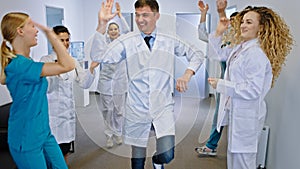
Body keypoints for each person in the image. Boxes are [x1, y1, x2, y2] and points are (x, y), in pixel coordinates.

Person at [90, 0, 205, 168]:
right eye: (137, 15)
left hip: (162, 106)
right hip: (137, 107)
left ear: (156, 16)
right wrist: (102, 24)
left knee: (166, 154)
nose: (140, 19)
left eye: (145, 15)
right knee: (137, 161)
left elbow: (197, 54)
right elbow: (99, 56)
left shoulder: (169, 38)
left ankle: (157, 162)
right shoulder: (127, 40)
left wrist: (187, 74)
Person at [207, 6, 293, 169]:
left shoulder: (256, 54)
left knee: (243, 163)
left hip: (247, 116)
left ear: (260, 28)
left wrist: (221, 85)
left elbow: (253, 90)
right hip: (238, 113)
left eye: (249, 22)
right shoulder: (241, 48)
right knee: (235, 161)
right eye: (243, 22)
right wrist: (218, 33)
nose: (243, 26)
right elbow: (217, 54)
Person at [0, 12, 75, 168]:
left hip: (43, 132)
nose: (36, 31)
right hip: (25, 138)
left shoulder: (23, 62)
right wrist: (51, 35)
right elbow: (67, 65)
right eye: (32, 26)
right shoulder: (21, 65)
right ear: (20, 31)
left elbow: (3, 79)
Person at [40, 25, 95, 164]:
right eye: (61, 40)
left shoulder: (72, 61)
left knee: (64, 150)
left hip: (67, 115)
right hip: (51, 115)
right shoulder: (45, 60)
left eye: (67, 40)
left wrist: (92, 69)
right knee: (51, 152)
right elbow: (45, 88)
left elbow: (84, 83)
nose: (65, 44)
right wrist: (56, 70)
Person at [195, 0, 238, 156]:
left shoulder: (243, 44)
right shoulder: (226, 40)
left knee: (234, 118)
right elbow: (204, 35)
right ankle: (211, 145)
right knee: (219, 115)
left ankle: (224, 147)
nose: (232, 26)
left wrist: (221, 12)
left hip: (239, 87)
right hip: (225, 84)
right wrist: (204, 14)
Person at [90, 2, 130, 148]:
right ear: (108, 31)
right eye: (111, 29)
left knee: (119, 110)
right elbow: (96, 45)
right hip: (106, 82)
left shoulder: (124, 42)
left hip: (120, 81)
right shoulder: (103, 43)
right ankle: (108, 134)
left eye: (115, 28)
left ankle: (118, 132)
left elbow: (128, 31)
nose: (113, 31)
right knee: (107, 110)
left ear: (119, 31)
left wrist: (120, 15)